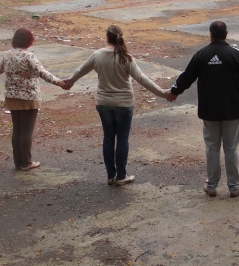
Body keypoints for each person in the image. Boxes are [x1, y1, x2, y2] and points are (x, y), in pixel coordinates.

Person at [167, 21, 239, 198]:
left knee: (212, 147)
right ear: (226, 34)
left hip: (209, 111)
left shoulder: (201, 55)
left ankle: (211, 186)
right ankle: (234, 187)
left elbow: (185, 77)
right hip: (232, 110)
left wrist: (174, 92)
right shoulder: (236, 54)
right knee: (231, 147)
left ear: (210, 35)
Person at [66, 24, 170, 185]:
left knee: (108, 137)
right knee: (122, 138)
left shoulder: (97, 55)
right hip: (124, 103)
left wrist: (69, 83)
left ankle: (110, 175)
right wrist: (163, 93)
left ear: (107, 37)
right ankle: (121, 176)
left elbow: (79, 71)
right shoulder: (125, 57)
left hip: (104, 102)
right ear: (120, 38)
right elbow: (142, 79)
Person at [0, 28, 68, 171]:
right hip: (29, 97)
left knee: (17, 130)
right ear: (29, 41)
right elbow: (42, 73)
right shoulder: (29, 57)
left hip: (12, 96)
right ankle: (27, 162)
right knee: (26, 132)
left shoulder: (7, 55)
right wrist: (59, 82)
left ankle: (18, 162)